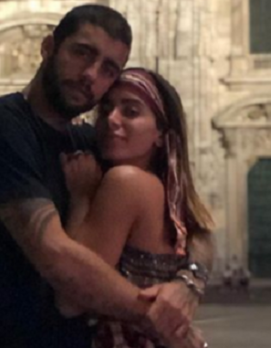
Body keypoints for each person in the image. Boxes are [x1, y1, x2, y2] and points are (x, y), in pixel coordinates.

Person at [0, 5, 205, 348]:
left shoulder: (91, 143)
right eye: (82, 53)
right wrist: (160, 317)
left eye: (108, 69)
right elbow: (56, 256)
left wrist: (190, 282)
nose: (91, 75)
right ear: (48, 47)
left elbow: (195, 226)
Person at [57, 68, 215, 348]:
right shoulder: (165, 193)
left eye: (130, 111)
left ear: (160, 133)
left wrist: (81, 199)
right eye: (106, 108)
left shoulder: (125, 182)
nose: (111, 119)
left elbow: (70, 298)